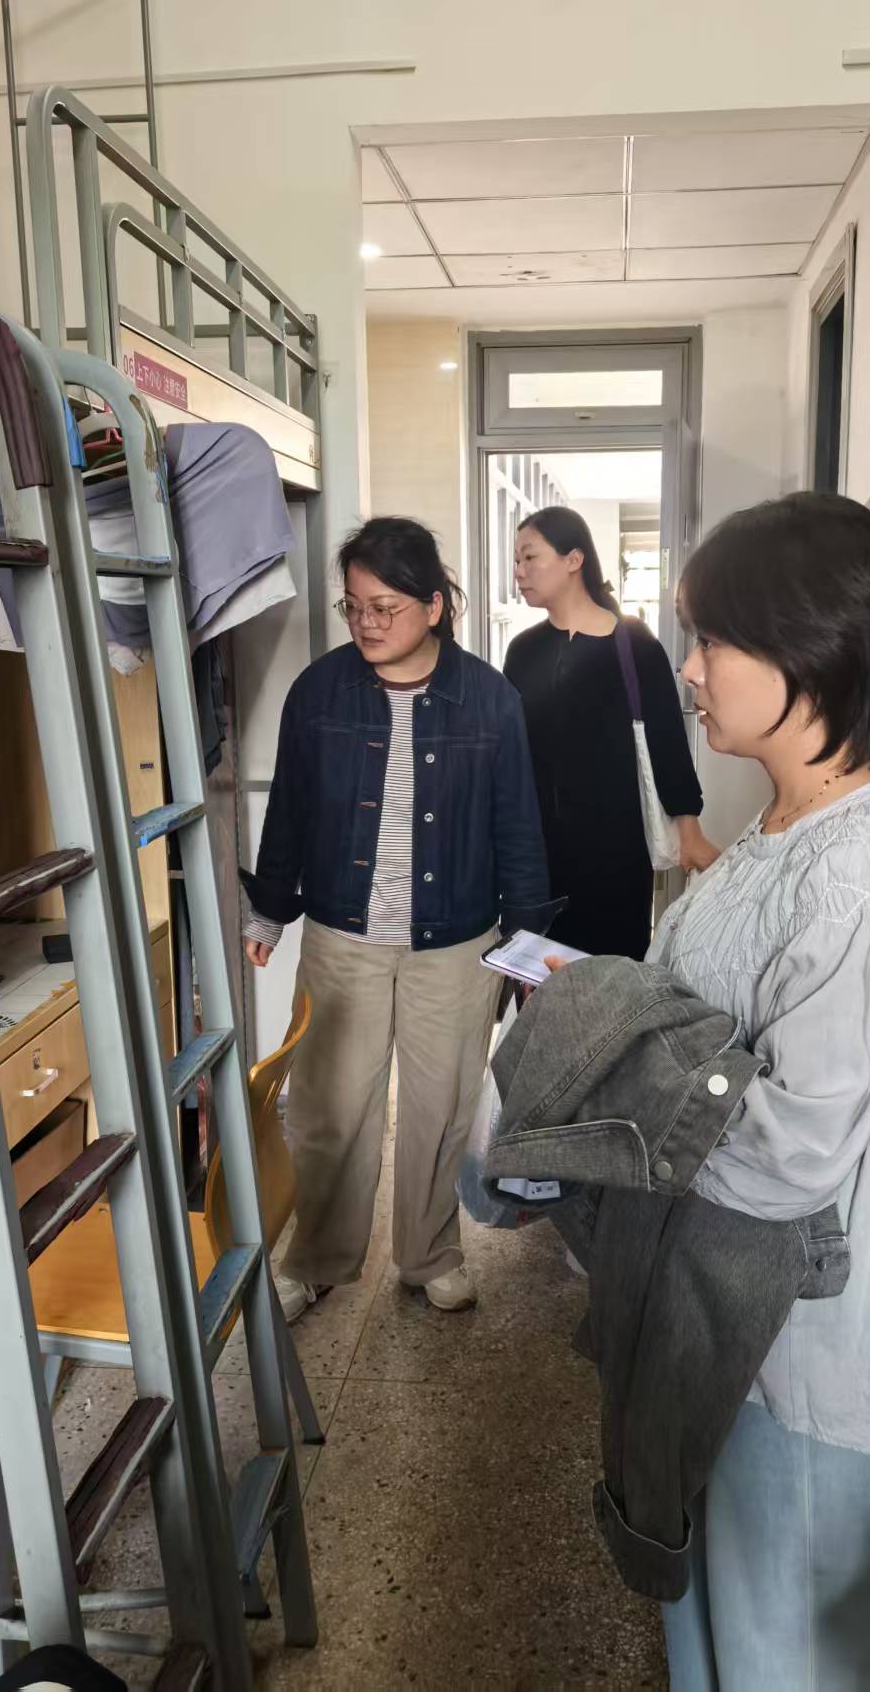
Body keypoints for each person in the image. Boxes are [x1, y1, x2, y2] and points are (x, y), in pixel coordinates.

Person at [647, 493, 870, 1690]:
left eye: (710, 638)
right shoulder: (783, 824)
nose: (689, 667)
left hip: (798, 1343)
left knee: (790, 1647)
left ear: (805, 648)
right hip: (726, 1314)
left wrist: (624, 1097)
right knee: (722, 1619)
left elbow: (789, 1145)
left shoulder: (861, 869)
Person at [240, 517, 557, 1319]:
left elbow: (518, 831)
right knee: (328, 1111)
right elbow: (288, 813)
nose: (367, 624)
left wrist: (527, 952)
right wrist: (269, 912)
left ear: (433, 605)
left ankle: (428, 1255)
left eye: (384, 607)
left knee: (439, 1111)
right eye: (353, 607)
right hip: (342, 936)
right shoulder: (319, 691)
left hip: (456, 942)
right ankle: (317, 1258)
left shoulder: (489, 699)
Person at [504, 506, 715, 962]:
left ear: (574, 559)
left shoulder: (635, 644)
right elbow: (509, 753)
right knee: (542, 981)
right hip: (537, 856)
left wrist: (690, 831)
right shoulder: (522, 651)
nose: (518, 571)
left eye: (529, 557)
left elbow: (667, 744)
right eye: (516, 561)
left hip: (615, 855)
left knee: (613, 980)